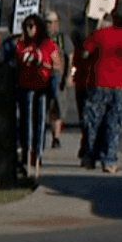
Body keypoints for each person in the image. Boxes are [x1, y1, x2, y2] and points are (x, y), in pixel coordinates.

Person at [78, 11, 122, 173]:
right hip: (120, 85)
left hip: (97, 82)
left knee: (93, 121)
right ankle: (110, 160)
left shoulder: (99, 34)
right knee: (113, 123)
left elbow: (84, 53)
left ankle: (89, 157)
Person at [15, 14, 62, 174]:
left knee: (40, 121)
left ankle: (38, 154)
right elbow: (15, 62)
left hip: (41, 87)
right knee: (25, 121)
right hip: (25, 87)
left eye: (32, 26)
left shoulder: (48, 44)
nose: (29, 29)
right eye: (27, 26)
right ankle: (26, 153)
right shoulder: (21, 44)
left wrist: (42, 61)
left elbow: (57, 66)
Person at [44, 10, 73, 148]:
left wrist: (68, 76)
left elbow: (70, 57)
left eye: (53, 22)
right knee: (45, 107)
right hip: (42, 78)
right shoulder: (40, 39)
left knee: (58, 108)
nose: (51, 25)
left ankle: (56, 137)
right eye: (48, 22)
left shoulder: (62, 39)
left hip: (58, 77)